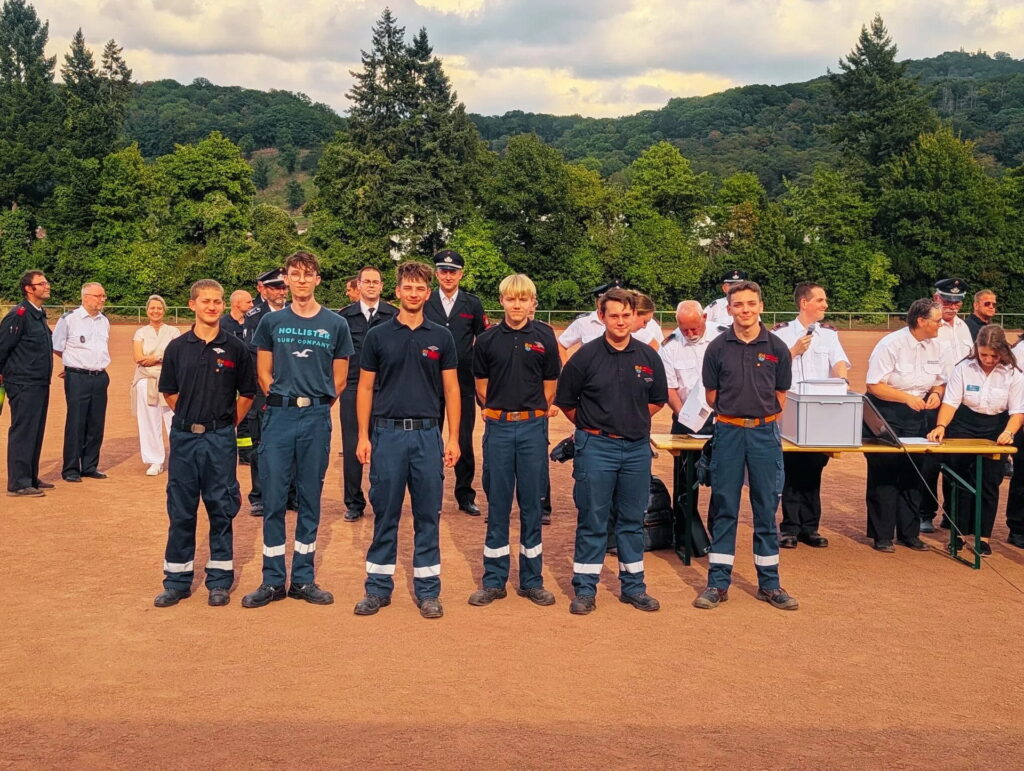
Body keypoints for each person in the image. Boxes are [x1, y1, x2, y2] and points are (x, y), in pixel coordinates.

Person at [241, 251, 353, 608]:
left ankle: (303, 578)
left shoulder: (336, 324)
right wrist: (284, 400)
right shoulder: (271, 323)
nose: (301, 280)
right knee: (273, 499)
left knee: (309, 499)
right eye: (295, 274)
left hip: (316, 419)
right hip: (279, 418)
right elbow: (263, 372)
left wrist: (316, 404)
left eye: (308, 274)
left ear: (318, 279)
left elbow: (340, 379)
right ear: (285, 280)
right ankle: (273, 579)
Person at [353, 261, 460, 619]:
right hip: (387, 436)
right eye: (407, 288)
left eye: (420, 289)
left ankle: (429, 591)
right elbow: (365, 387)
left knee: (428, 514)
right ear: (396, 291)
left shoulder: (441, 336)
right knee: (385, 513)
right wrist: (363, 436)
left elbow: (451, 389)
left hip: (428, 436)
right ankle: (377, 588)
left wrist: (453, 438)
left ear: (427, 294)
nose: (413, 294)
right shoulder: (378, 335)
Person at [555, 287, 667, 615]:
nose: (620, 321)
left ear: (636, 318)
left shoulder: (648, 357)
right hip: (595, 447)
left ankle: (634, 587)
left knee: (632, 520)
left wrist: (629, 418)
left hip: (635, 450)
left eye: (626, 315)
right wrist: (596, 425)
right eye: (613, 315)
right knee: (593, 519)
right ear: (602, 317)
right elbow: (566, 402)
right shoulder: (585, 357)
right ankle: (585, 589)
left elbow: (657, 399)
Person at [153, 280, 257, 607]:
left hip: (220, 439)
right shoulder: (177, 347)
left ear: (223, 306)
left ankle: (219, 580)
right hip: (184, 438)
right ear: (192, 304)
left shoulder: (236, 348)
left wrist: (224, 424)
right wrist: (190, 416)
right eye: (206, 301)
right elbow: (169, 392)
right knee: (182, 510)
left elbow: (248, 394)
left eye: (217, 301)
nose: (212, 306)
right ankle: (177, 581)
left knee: (221, 507)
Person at [697, 280, 797, 611]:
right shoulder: (717, 348)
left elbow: (780, 396)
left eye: (751, 304)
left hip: (764, 435)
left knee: (765, 508)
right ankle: (718, 582)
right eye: (738, 305)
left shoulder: (778, 348)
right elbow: (712, 396)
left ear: (761, 306)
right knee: (725, 505)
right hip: (728, 433)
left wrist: (758, 418)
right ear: (729, 309)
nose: (745, 310)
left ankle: (769, 583)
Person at [469, 274, 561, 608]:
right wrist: (497, 410)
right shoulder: (489, 339)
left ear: (532, 303)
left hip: (533, 430)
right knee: (498, 504)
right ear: (502, 301)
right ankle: (494, 580)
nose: (517, 305)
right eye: (511, 299)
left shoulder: (544, 337)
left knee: (532, 505)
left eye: (523, 299)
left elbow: (550, 383)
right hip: (499, 429)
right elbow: (481, 384)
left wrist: (534, 412)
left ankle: (531, 580)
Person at [926, 325, 1023, 556]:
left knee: (990, 482)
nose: (988, 359)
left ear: (1003, 351)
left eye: (994, 355)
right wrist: (941, 426)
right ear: (976, 349)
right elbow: (951, 401)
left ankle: (983, 537)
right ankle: (958, 534)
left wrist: (1009, 432)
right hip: (963, 424)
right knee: (959, 479)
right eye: (983, 354)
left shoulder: (1014, 373)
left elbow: (1018, 411)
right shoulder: (963, 368)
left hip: (997, 427)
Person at [770, 282, 851, 549]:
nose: (825, 305)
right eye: (820, 300)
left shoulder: (828, 335)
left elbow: (840, 363)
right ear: (804, 303)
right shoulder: (781, 334)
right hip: (790, 409)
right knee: (791, 470)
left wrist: (842, 381)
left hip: (820, 409)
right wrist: (793, 351)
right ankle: (790, 527)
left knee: (814, 469)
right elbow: (771, 369)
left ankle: (810, 528)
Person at [864, 298, 946, 552]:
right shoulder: (891, 344)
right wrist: (906, 398)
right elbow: (874, 385)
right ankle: (883, 536)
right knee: (885, 475)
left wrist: (936, 393)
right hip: (886, 413)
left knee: (914, 475)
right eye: (937, 320)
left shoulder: (937, 346)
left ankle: (909, 534)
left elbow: (940, 381)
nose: (940, 325)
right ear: (921, 321)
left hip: (917, 415)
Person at [424, 249, 487, 516]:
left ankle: (465, 494)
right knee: (431, 440)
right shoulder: (426, 301)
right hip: (430, 383)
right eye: (443, 271)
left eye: (453, 271)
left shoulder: (472, 304)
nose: (448, 276)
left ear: (461, 274)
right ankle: (431, 494)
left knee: (462, 440)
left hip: (462, 384)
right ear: (436, 273)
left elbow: (483, 341)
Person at [336, 265, 397, 521]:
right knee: (353, 447)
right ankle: (354, 502)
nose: (371, 285)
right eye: (367, 281)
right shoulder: (343, 318)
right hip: (352, 388)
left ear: (382, 286)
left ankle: (382, 499)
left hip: (385, 390)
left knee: (384, 448)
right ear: (358, 285)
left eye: (376, 282)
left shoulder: (394, 315)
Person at [659, 300, 717, 554]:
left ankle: (719, 537)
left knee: (723, 482)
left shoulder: (722, 337)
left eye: (694, 328)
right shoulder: (670, 347)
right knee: (685, 484)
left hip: (721, 419)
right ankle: (686, 539)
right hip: (685, 419)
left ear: (704, 317)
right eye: (685, 330)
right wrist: (684, 415)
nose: (691, 334)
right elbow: (669, 388)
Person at [920, 278, 974, 533]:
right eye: (947, 300)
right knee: (931, 461)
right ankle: (925, 513)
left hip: (959, 404)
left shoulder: (963, 327)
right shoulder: (928, 325)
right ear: (936, 298)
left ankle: (951, 514)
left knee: (955, 462)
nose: (952, 306)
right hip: (934, 400)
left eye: (957, 301)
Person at [0, 270, 53, 497]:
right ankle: (18, 483)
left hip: (39, 382)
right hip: (23, 382)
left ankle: (30, 476)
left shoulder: (39, 314)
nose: (47, 286)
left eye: (46, 282)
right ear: (28, 289)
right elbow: (2, 348)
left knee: (36, 431)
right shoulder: (18, 315)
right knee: (23, 431)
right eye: (41, 283)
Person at [240, 268, 288, 512]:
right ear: (264, 289)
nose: (281, 292)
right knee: (261, 442)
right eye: (276, 287)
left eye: (283, 287)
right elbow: (253, 350)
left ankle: (291, 495)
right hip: (262, 387)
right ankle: (259, 495)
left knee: (292, 443)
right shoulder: (255, 315)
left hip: (291, 386)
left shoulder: (295, 313)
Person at [52, 282, 111, 482]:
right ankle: (70, 469)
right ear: (85, 297)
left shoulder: (104, 321)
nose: (102, 299)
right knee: (76, 422)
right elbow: (57, 346)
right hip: (77, 377)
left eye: (103, 296)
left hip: (100, 376)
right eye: (98, 296)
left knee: (96, 423)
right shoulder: (70, 319)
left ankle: (89, 465)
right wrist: (72, 363)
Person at [131, 295, 181, 476]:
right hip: (146, 380)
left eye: (159, 308)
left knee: (173, 419)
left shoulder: (173, 332)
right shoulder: (141, 332)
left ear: (164, 310)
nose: (156, 311)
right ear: (147, 310)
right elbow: (138, 358)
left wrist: (156, 358)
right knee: (149, 421)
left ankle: (179, 458)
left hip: (170, 381)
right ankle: (155, 460)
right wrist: (160, 358)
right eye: (152, 308)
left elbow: (175, 356)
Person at [557, 281, 622, 361]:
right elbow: (561, 345)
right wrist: (567, 370)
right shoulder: (583, 323)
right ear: (598, 302)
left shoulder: (625, 322)